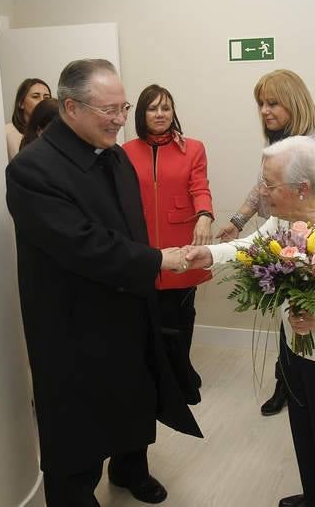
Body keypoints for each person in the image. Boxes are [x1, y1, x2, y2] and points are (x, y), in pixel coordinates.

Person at [6, 59, 201, 507]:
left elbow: (128, 227)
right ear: (71, 108)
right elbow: (81, 244)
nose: (119, 119)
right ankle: (74, 494)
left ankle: (131, 467)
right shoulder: (32, 169)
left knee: (135, 392)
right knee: (76, 421)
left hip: (129, 302)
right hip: (74, 321)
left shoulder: (113, 154)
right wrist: (156, 260)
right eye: (108, 110)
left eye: (122, 107)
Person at [186, 136, 315, 507]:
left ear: (302, 188)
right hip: (297, 348)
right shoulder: (286, 217)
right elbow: (251, 247)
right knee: (306, 435)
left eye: (269, 184)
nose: (262, 192)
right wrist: (209, 254)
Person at [216, 68, 315, 416]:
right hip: (289, 237)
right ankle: (287, 383)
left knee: (306, 313)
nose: (264, 110)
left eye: (273, 102)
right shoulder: (279, 142)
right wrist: (237, 222)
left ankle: (300, 383)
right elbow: (261, 186)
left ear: (293, 102)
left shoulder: (314, 142)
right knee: (289, 313)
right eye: (261, 103)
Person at [123, 84, 213, 405]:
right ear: (141, 114)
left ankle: (181, 371)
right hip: (143, 248)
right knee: (153, 318)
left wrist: (204, 215)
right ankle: (166, 376)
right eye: (153, 108)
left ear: (174, 112)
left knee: (181, 314)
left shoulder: (193, 148)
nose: (160, 114)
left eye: (166, 108)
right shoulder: (124, 152)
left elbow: (200, 187)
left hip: (182, 246)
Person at [6, 77, 51, 159]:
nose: (42, 101)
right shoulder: (7, 133)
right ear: (21, 103)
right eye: (35, 97)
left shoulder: (52, 131)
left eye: (46, 97)